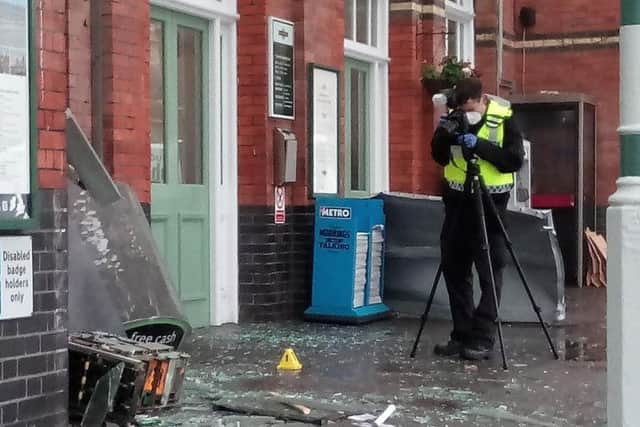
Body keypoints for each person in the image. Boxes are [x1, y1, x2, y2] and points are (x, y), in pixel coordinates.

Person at [431, 78, 525, 361]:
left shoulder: (504, 120)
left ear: (481, 99)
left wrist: (480, 145)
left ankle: (483, 337)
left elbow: (513, 160)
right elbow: (438, 157)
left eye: (469, 106)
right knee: (454, 269)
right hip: (458, 205)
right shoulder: (455, 119)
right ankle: (462, 333)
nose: (466, 112)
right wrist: (443, 135)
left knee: (490, 273)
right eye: (460, 108)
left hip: (491, 206)